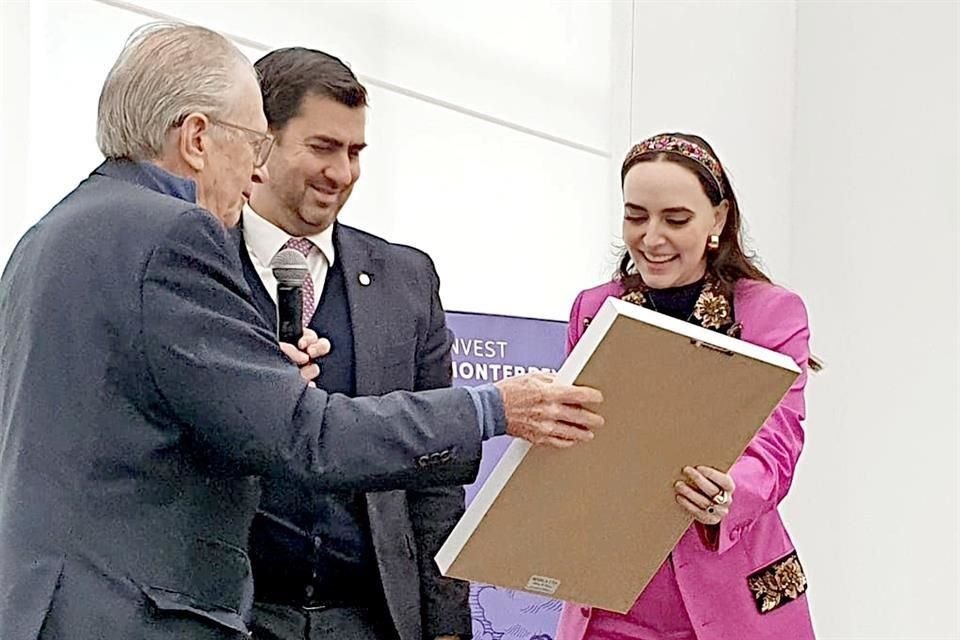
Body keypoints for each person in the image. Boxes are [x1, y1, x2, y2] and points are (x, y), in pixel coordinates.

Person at [0, 23, 604, 640]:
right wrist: (491, 407)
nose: (252, 170)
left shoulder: (49, 236)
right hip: (138, 615)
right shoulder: (178, 235)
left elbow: (121, 418)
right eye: (253, 143)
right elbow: (306, 438)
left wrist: (258, 381)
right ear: (199, 138)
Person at [235, 47, 472, 640]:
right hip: (233, 613)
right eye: (322, 147)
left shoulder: (407, 279)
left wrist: (445, 623)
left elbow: (435, 478)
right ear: (260, 142)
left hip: (369, 618)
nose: (341, 173)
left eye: (355, 152)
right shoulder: (197, 261)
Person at [556, 133, 814, 640]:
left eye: (675, 220)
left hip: (734, 594)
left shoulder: (771, 312)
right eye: (635, 216)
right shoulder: (594, 309)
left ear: (717, 219)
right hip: (614, 599)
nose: (651, 238)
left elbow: (777, 443)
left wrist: (729, 492)